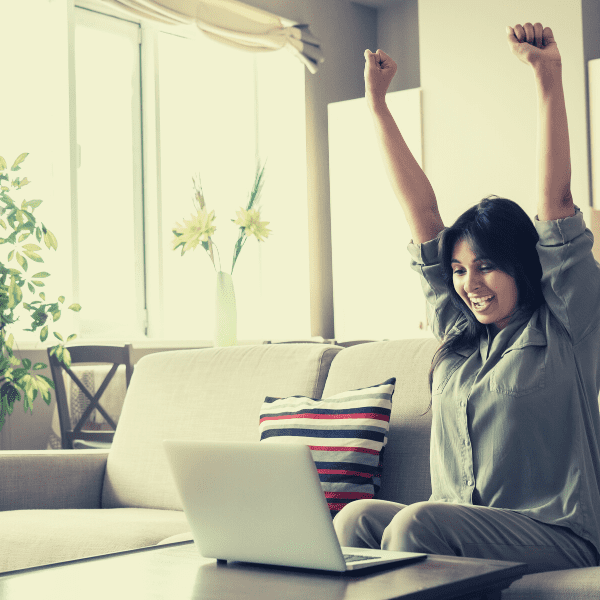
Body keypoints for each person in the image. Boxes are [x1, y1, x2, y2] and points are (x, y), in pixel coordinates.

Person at [332, 22, 600, 574]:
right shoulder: (459, 336)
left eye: (487, 266)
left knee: (415, 522)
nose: (469, 283)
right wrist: (377, 105)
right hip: (462, 528)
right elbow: (424, 218)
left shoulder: (567, 325)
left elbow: (557, 202)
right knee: (352, 520)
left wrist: (547, 76)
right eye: (458, 270)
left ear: (521, 265)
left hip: (558, 533)